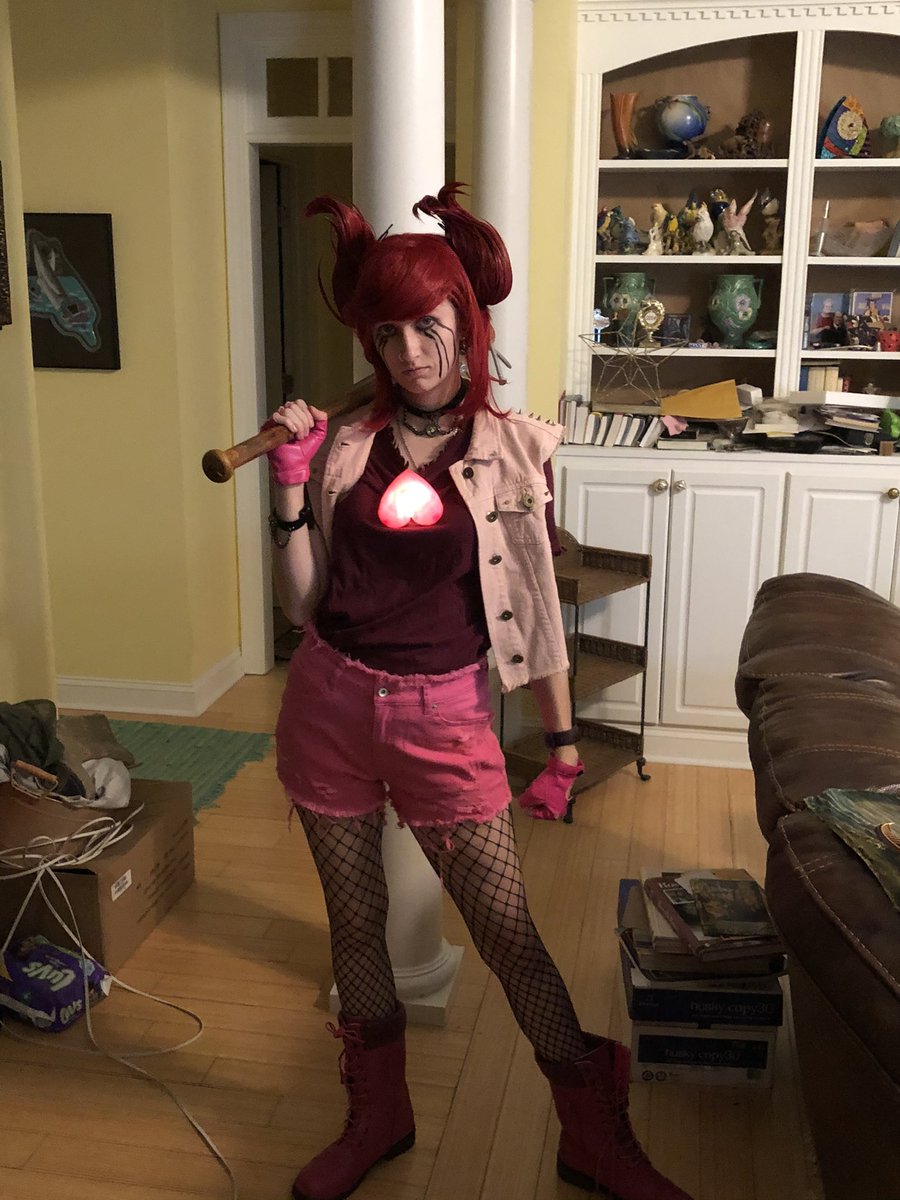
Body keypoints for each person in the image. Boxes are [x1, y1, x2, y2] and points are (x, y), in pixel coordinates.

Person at [263, 183, 692, 1200]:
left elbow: (537, 611)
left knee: (509, 937)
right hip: (328, 704)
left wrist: (562, 746)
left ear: (465, 323)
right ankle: (379, 1114)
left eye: (427, 326)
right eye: (387, 332)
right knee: (355, 928)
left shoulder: (510, 452)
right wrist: (286, 487)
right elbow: (305, 606)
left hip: (444, 718)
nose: (409, 351)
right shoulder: (345, 446)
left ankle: (593, 1133)